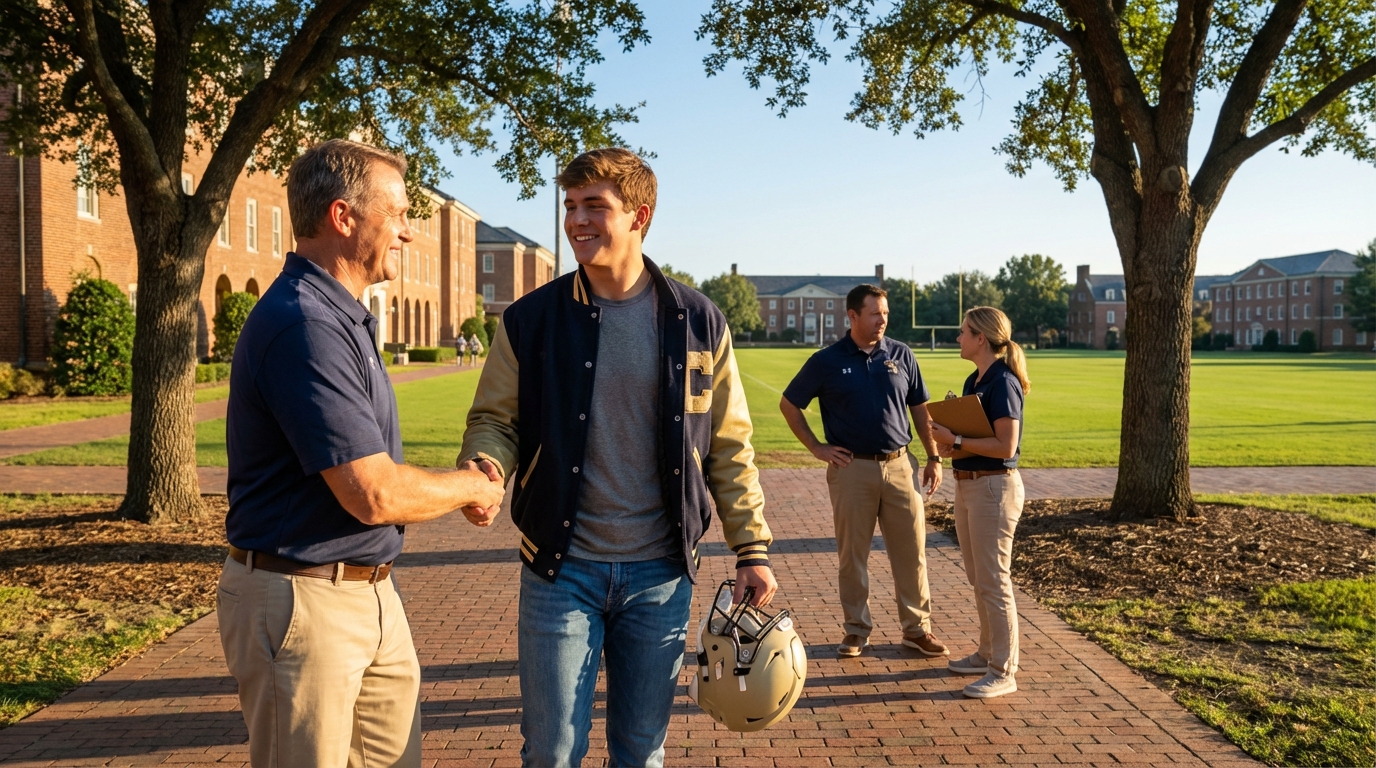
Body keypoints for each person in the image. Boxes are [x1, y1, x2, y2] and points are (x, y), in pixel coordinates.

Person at [459, 148, 777, 768]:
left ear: (640, 216)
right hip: (560, 570)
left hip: (660, 576)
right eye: (570, 206)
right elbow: (495, 420)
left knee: (641, 752)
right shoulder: (530, 320)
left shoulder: (698, 322)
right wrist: (487, 465)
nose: (577, 220)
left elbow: (729, 446)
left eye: (594, 207)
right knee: (551, 753)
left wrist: (752, 549)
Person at [219, 139, 506, 767]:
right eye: (397, 214)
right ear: (343, 218)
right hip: (304, 601)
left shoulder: (339, 316)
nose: (407, 232)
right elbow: (372, 492)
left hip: (369, 594)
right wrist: (471, 486)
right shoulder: (305, 325)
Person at [780, 284, 949, 660]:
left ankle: (917, 629)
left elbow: (921, 409)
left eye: (885, 314)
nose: (882, 320)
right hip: (852, 470)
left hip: (901, 466)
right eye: (874, 314)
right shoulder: (826, 360)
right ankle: (856, 630)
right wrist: (817, 448)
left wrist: (934, 457)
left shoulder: (901, 354)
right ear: (852, 316)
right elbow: (790, 404)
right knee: (852, 555)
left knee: (912, 553)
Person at [929, 306, 1030, 699]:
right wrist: (949, 440)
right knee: (978, 577)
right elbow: (974, 439)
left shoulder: (1003, 382)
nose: (958, 338)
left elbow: (1006, 445)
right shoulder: (977, 378)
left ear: (981, 339)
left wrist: (954, 440)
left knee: (993, 580)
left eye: (963, 332)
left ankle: (1004, 670)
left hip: (994, 489)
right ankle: (987, 653)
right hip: (969, 484)